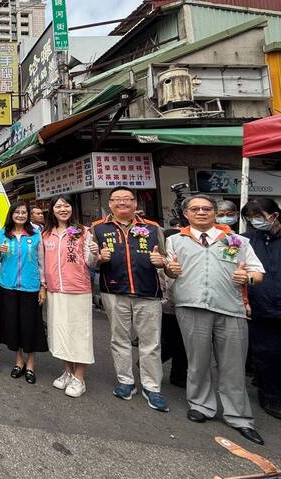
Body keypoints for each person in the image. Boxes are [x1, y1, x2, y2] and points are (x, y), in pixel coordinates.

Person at [164, 194, 265, 445]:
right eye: (195, 209)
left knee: (232, 365)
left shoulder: (236, 240)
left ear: (215, 212)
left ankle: (239, 416)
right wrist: (169, 269)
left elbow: (257, 271)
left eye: (207, 208)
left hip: (230, 307)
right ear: (186, 213)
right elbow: (169, 270)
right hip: (191, 306)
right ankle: (200, 405)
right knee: (197, 360)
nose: (201, 212)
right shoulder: (176, 241)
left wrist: (248, 279)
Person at [92, 186, 170, 412]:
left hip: (148, 292)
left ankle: (152, 387)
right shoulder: (98, 228)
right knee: (119, 339)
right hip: (114, 291)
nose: (122, 203)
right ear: (110, 204)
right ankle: (126, 381)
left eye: (127, 199)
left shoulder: (153, 228)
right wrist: (98, 258)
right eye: (117, 199)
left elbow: (167, 259)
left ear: (136, 203)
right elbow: (89, 260)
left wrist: (161, 261)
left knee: (151, 343)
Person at [40, 195, 98, 398]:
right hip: (55, 289)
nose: (62, 209)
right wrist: (43, 285)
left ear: (72, 209)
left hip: (78, 289)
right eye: (58, 205)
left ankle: (79, 377)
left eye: (66, 205)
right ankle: (67, 371)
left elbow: (91, 262)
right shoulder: (47, 233)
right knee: (61, 332)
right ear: (52, 210)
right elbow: (42, 262)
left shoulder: (83, 232)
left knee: (79, 334)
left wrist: (95, 252)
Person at [0, 201, 46, 383]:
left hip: (30, 287)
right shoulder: (2, 233)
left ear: (28, 215)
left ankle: (31, 364)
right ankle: (19, 361)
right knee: (14, 325)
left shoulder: (36, 234)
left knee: (30, 326)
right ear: (11, 214)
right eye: (17, 212)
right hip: (8, 287)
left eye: (24, 212)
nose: (21, 215)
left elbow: (42, 263)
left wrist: (43, 286)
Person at [240, 198, 281, 420]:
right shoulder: (245, 241)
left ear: (274, 215)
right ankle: (270, 396)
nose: (256, 221)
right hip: (260, 307)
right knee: (267, 354)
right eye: (251, 218)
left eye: (260, 216)